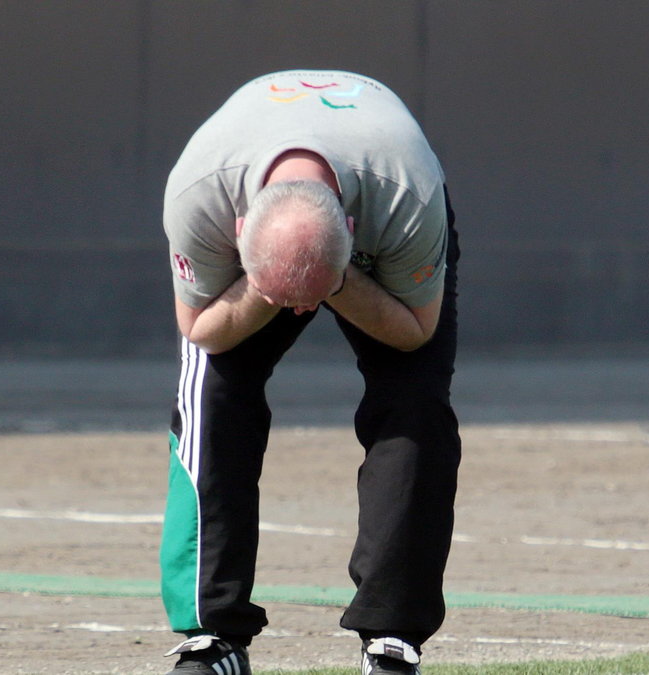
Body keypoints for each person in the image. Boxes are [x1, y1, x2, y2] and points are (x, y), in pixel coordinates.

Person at [158, 69, 459, 675]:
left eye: (311, 297)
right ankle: (212, 635)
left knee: (415, 408)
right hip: (264, 228)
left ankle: (393, 640)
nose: (303, 312)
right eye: (288, 299)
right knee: (211, 398)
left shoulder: (407, 199)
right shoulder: (200, 198)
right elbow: (201, 330)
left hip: (375, 222)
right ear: (239, 235)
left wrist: (338, 285)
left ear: (351, 236)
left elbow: (415, 332)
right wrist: (267, 291)